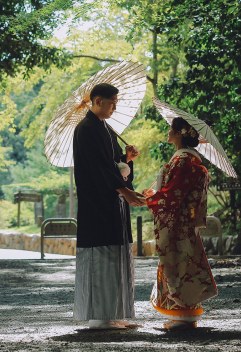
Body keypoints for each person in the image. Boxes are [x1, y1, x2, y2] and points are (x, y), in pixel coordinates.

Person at [72, 82, 145, 330]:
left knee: (116, 257)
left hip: (113, 204)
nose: (114, 107)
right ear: (97, 101)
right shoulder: (85, 129)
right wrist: (125, 190)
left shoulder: (107, 129)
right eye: (112, 102)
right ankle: (100, 317)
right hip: (97, 205)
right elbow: (97, 169)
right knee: (101, 258)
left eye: (116, 103)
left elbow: (114, 165)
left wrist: (127, 159)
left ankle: (113, 314)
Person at [143, 117, 218, 330]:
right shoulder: (187, 159)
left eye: (171, 129)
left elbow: (172, 194)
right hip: (183, 221)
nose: (168, 132)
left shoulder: (183, 160)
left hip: (178, 221)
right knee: (183, 262)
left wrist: (151, 197)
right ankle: (183, 315)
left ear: (179, 134)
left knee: (178, 263)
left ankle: (183, 315)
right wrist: (155, 192)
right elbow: (173, 189)